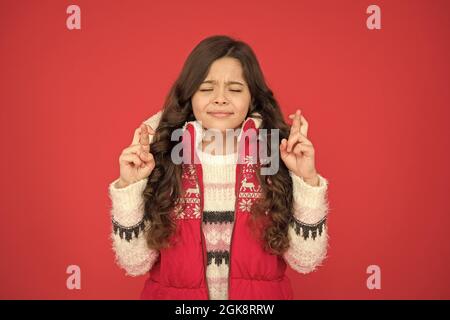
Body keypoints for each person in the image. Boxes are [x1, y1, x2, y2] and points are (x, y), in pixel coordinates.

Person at [108, 35, 329, 299]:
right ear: (189, 94)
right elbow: (135, 263)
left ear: (252, 97)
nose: (220, 99)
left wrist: (306, 179)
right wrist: (130, 187)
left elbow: (306, 260)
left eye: (235, 89)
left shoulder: (274, 157)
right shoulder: (163, 155)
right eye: (206, 88)